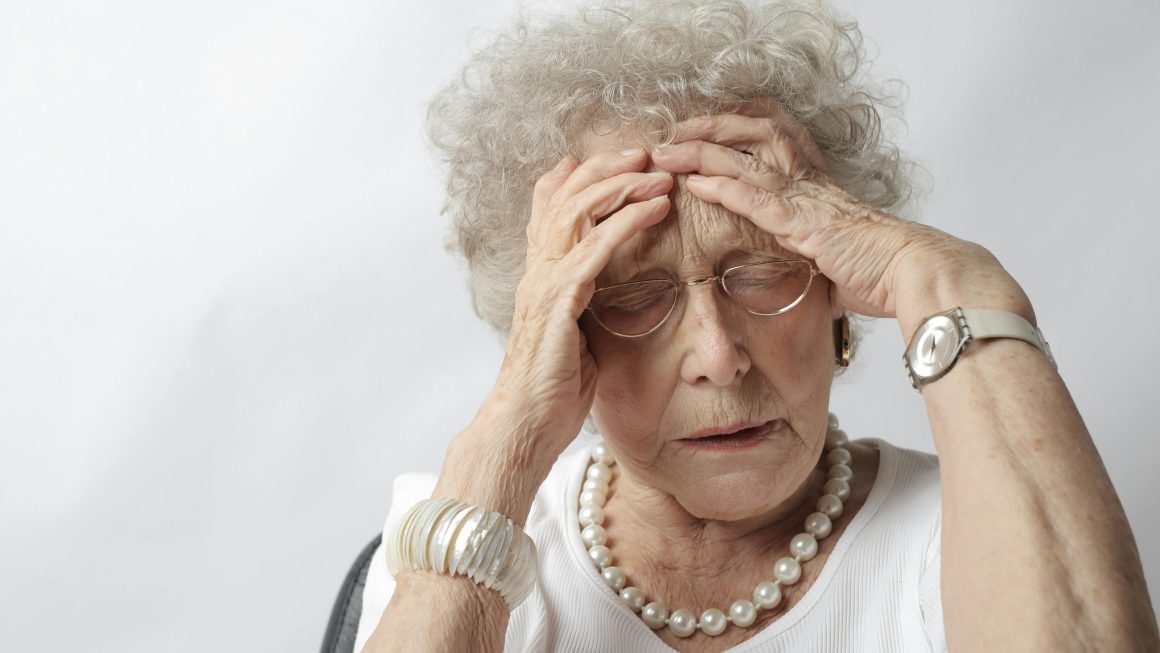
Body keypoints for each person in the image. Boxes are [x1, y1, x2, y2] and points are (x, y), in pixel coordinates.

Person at [354, 0, 1159, 651]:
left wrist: (951, 279)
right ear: (565, 340)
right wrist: (506, 436)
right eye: (636, 298)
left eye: (765, 272)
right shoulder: (450, 540)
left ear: (839, 291)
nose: (717, 355)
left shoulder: (977, 527)